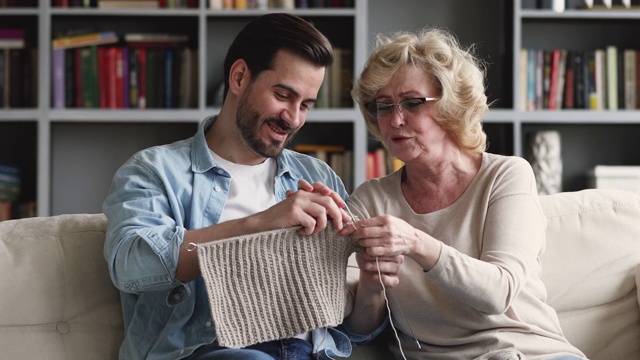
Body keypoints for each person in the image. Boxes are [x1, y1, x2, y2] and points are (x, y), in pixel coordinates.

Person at [102, 13, 372, 360]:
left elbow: (350, 327)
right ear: (240, 77)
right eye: (282, 95)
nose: (293, 118)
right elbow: (131, 264)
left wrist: (373, 282)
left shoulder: (316, 175)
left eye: (305, 105)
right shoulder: (154, 170)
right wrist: (259, 224)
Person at [338, 28, 588, 359]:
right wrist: (371, 287)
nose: (395, 119)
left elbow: (497, 294)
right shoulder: (370, 200)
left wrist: (416, 242)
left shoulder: (506, 175)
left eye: (412, 103)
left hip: (531, 353)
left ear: (452, 105)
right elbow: (355, 330)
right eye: (383, 106)